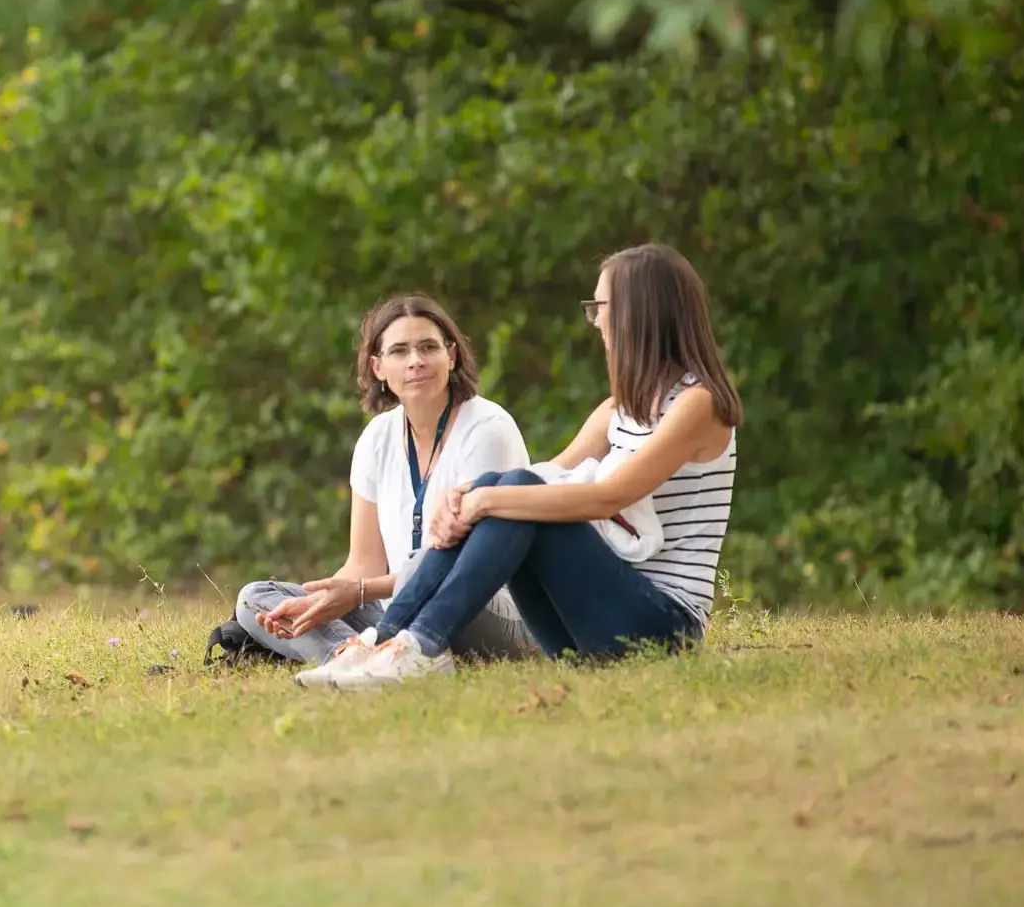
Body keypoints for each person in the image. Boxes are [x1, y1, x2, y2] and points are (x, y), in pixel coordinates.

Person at [300, 243, 740, 689]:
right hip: (586, 630)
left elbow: (609, 496)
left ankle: (419, 645)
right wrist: (469, 492)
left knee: (513, 495)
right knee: (509, 488)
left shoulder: (698, 405)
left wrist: (486, 500)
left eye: (601, 307)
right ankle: (387, 640)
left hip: (666, 629)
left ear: (640, 312)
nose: (597, 321)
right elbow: (550, 472)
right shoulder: (617, 410)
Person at [230, 294, 541, 671]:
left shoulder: (488, 429)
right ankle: (353, 656)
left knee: (423, 566)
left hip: (487, 606)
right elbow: (363, 563)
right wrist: (321, 600)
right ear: (378, 367)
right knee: (256, 598)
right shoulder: (377, 437)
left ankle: (382, 657)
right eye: (400, 351)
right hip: (397, 609)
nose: (416, 361)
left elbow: (464, 570)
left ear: (452, 356)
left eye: (429, 347)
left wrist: (357, 593)